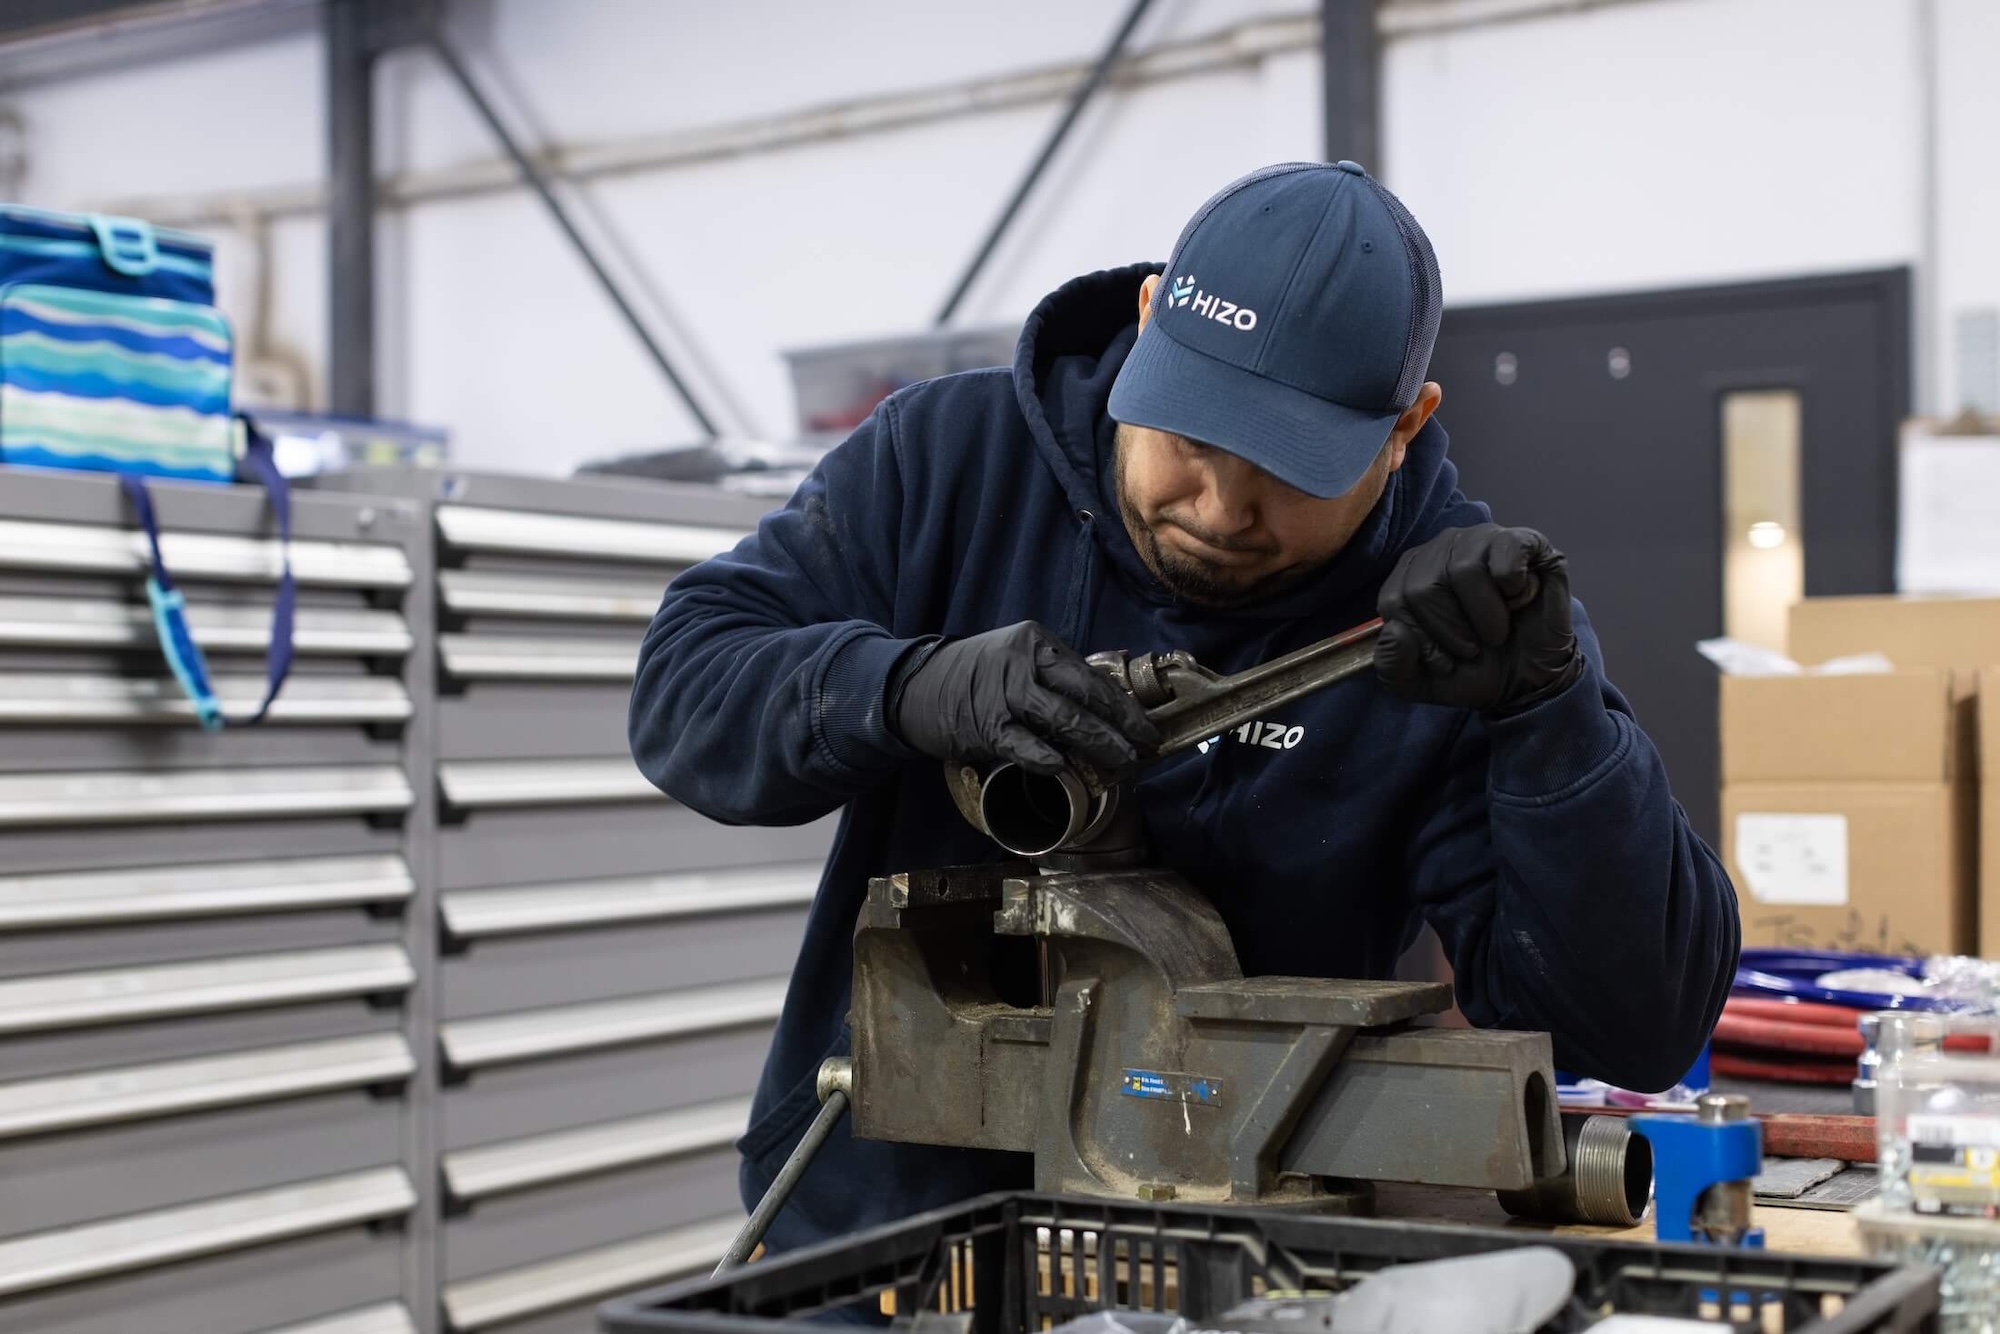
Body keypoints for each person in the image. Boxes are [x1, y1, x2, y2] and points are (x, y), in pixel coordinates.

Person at [630, 161, 1739, 1253]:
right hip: (880, 1238)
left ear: (1403, 425)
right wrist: (903, 686)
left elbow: (1632, 1028)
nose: (1219, 508)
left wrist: (1551, 721)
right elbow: (683, 691)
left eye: (1290, 470)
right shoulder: (946, 462)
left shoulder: (1455, 628)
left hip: (1249, 1255)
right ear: (1154, 318)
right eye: (1192, 438)